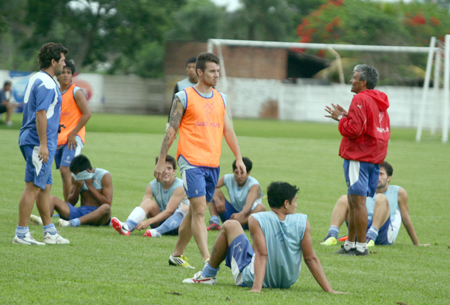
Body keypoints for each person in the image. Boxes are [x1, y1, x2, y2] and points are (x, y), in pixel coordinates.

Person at [154, 52, 247, 268]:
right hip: (190, 161)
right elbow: (171, 130)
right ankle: (208, 260)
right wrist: (161, 160)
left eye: (218, 71)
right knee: (200, 211)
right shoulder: (184, 97)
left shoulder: (221, 98)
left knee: (195, 211)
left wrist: (239, 158)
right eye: (212, 71)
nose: (217, 75)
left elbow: (229, 130)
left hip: (212, 163)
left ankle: (177, 254)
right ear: (199, 72)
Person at [182, 182, 346, 294]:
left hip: (254, 278)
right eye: (295, 201)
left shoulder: (257, 219)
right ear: (286, 203)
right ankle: (208, 274)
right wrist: (329, 290)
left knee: (230, 225)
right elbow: (311, 259)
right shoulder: (303, 221)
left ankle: (207, 274)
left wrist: (257, 288)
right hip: (287, 282)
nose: (297, 205)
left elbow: (262, 254)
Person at [325, 64, 390, 256]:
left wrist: (341, 119)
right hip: (373, 158)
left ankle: (361, 247)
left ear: (363, 82)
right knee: (354, 202)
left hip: (358, 157)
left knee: (357, 202)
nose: (351, 80)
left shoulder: (360, 99)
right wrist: (348, 115)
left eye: (354, 78)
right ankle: (350, 244)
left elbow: (354, 130)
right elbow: (369, 126)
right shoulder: (377, 100)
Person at [13, 42, 70, 245]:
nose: (65, 64)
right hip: (38, 142)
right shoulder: (46, 83)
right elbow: (41, 113)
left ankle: (49, 232)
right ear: (53, 61)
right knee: (33, 187)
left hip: (35, 140)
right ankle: (21, 234)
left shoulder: (39, 78)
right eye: (62, 60)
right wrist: (44, 144)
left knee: (44, 186)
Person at [321, 161, 430, 247]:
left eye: (381, 174)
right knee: (344, 199)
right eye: (375, 173)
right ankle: (332, 235)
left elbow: (406, 219)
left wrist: (416, 243)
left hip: (383, 233)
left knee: (381, 198)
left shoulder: (399, 192)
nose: (377, 177)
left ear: (389, 178)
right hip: (361, 227)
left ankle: (371, 236)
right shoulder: (364, 189)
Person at [111, 155, 190, 237]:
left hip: (180, 227)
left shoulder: (180, 186)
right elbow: (143, 208)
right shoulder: (151, 185)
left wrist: (148, 222)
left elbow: (169, 211)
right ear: (157, 169)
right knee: (148, 202)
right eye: (163, 168)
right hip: (160, 222)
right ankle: (127, 227)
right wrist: (137, 223)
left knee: (185, 208)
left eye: (169, 168)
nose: (166, 171)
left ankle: (157, 232)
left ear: (174, 171)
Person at [31, 154, 112, 227]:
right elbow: (71, 202)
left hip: (99, 216)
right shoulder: (75, 177)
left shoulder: (104, 175)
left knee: (106, 207)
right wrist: (77, 188)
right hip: (81, 212)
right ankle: (44, 220)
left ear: (87, 171)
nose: (76, 177)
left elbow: (107, 202)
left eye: (78, 175)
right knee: (52, 198)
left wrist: (90, 186)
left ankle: (73, 223)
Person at [55, 60, 91, 202]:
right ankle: (66, 207)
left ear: (72, 75)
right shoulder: (55, 93)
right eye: (63, 72)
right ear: (57, 75)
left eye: (68, 73)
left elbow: (87, 114)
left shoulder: (76, 91)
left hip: (73, 138)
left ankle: (69, 208)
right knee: (65, 174)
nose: (65, 75)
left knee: (66, 170)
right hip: (60, 139)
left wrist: (73, 133)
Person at [207, 157, 266, 230]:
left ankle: (235, 224)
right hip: (233, 215)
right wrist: (217, 200)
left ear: (248, 173)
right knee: (215, 192)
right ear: (233, 171)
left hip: (247, 218)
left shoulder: (254, 185)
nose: (239, 176)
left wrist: (240, 214)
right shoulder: (227, 178)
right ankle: (214, 222)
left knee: (261, 207)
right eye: (236, 172)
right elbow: (209, 188)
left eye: (242, 173)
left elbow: (249, 205)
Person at [166, 57, 198, 126]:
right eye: (189, 67)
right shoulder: (180, 85)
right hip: (185, 121)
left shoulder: (206, 85)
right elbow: (174, 105)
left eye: (193, 67)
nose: (191, 70)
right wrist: (169, 123)